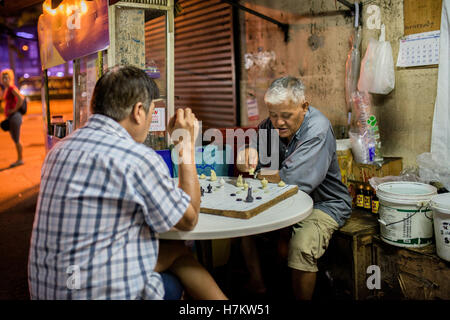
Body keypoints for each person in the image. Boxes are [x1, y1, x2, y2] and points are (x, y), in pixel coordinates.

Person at [28, 65, 227, 300]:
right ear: (139, 110)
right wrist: (185, 146)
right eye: (153, 112)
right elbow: (188, 219)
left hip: (50, 288)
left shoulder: (59, 151)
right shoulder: (136, 158)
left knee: (174, 251)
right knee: (177, 267)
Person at [236, 76, 352, 300]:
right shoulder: (271, 125)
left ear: (304, 106)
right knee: (245, 227)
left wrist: (260, 173)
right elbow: (255, 159)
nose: (278, 122)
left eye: (286, 115)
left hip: (323, 203)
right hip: (284, 199)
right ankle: (258, 286)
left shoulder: (317, 128)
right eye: (272, 114)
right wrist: (247, 155)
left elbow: (293, 180)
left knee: (301, 245)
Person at [1, 68, 24, 167]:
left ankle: (20, 159)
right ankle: (19, 159)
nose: (5, 80)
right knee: (15, 138)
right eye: (3, 78)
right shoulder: (6, 89)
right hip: (11, 117)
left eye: (7, 78)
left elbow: (21, 98)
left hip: (15, 116)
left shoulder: (11, 88)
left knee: (16, 138)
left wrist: (14, 110)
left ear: (10, 78)